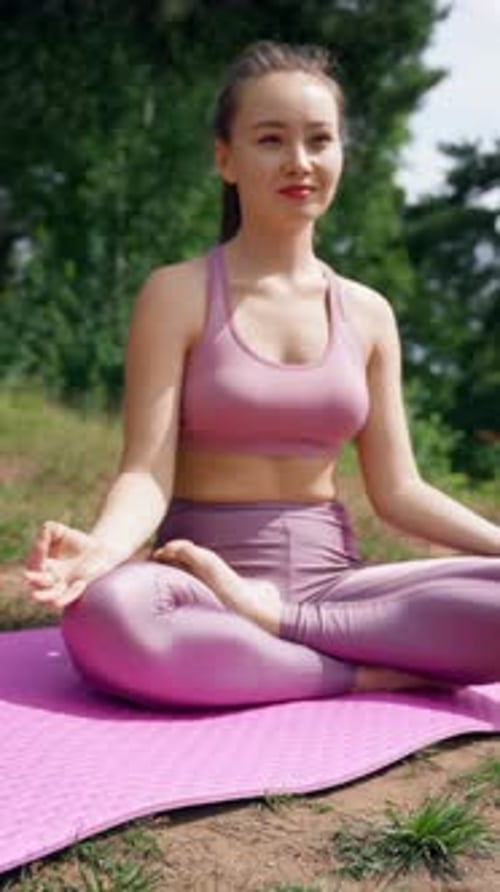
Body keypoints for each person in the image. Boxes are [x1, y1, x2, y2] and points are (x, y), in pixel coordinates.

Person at [25, 41, 500, 708]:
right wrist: (102, 551)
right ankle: (350, 672)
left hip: (331, 588)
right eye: (271, 139)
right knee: (108, 616)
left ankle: (281, 632)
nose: (299, 161)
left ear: (340, 155)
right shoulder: (177, 293)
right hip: (195, 585)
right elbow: (145, 471)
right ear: (226, 158)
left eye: (319, 140)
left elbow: (400, 490)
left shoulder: (368, 312)